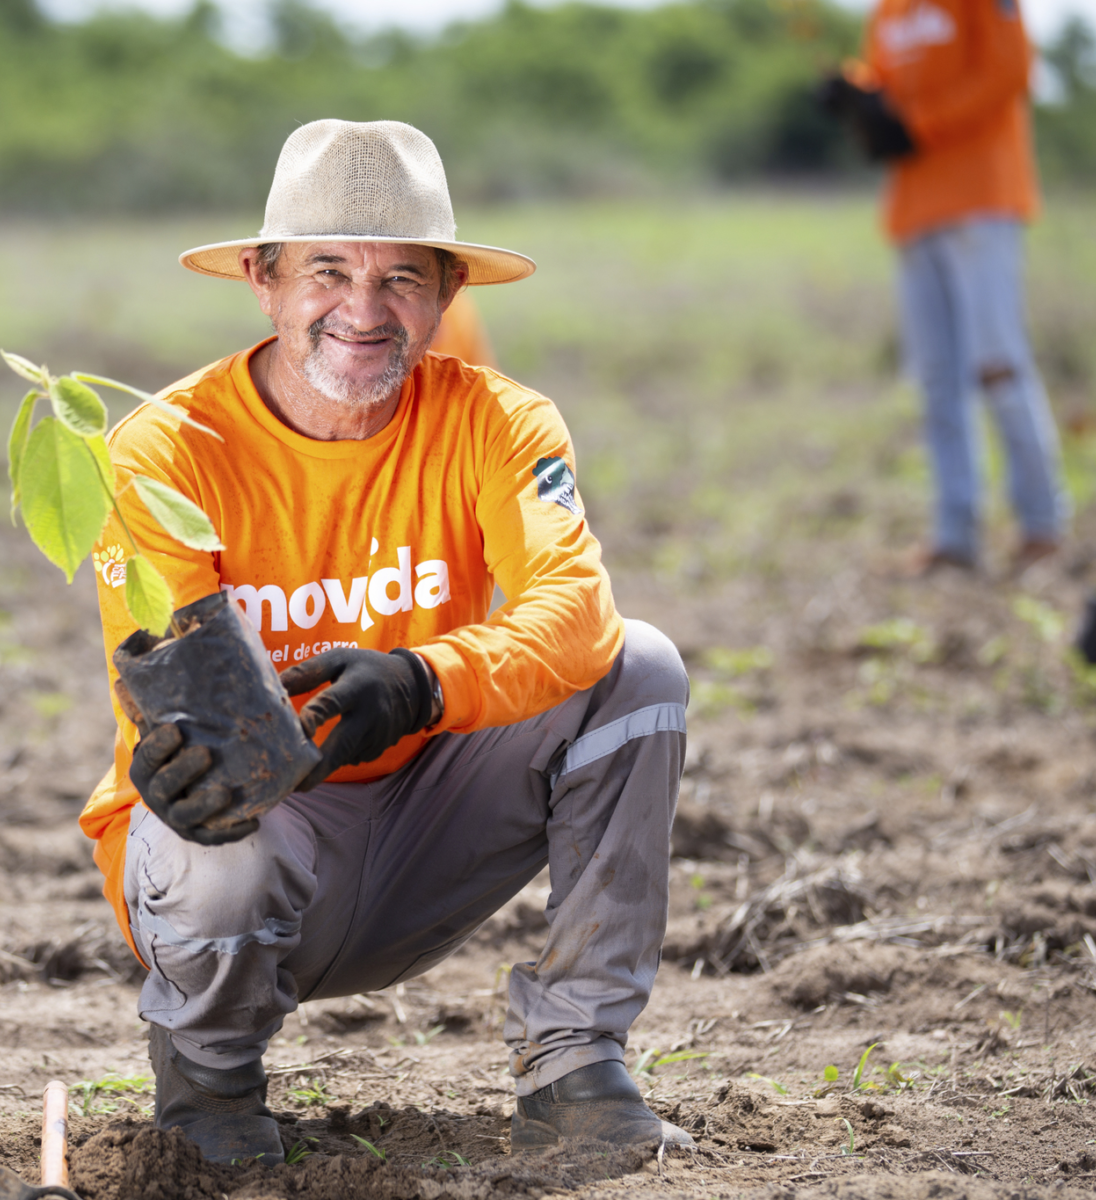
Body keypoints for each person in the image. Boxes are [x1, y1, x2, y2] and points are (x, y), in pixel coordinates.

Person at [76, 119, 694, 1165]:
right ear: (264, 282)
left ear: (448, 294)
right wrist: (199, 759)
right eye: (327, 271)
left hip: (425, 835)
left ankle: (576, 1069)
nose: (362, 311)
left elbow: (576, 611)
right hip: (253, 858)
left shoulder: (501, 422)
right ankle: (211, 1091)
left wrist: (421, 682)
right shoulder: (163, 453)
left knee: (638, 667)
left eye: (401, 277)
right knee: (208, 792)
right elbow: (179, 691)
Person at [823, 0, 1069, 575]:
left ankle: (1042, 524)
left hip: (982, 200)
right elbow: (889, 83)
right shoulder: (889, 8)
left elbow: (1010, 72)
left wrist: (918, 126)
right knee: (937, 378)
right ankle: (955, 535)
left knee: (997, 363)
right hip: (914, 207)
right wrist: (855, 92)